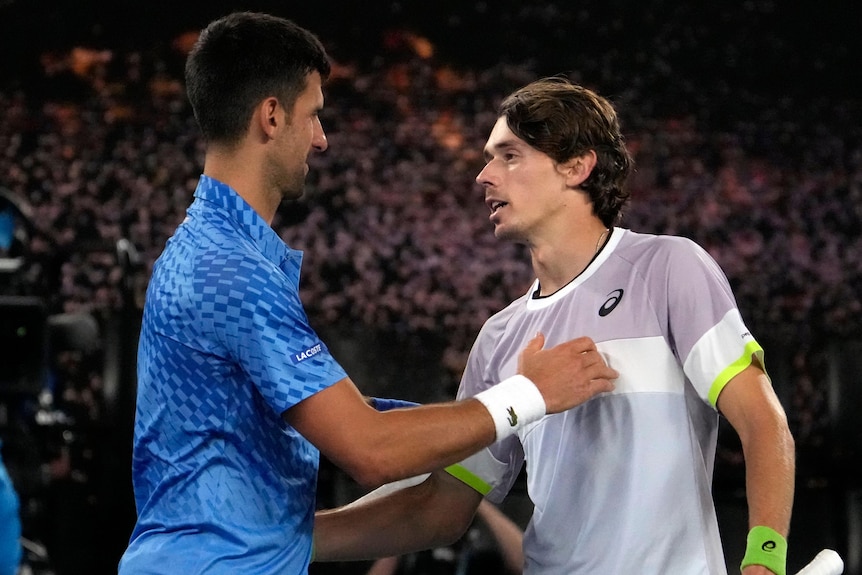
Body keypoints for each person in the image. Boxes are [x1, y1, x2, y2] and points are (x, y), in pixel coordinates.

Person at [117, 14, 618, 575]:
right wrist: (529, 395)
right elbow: (370, 449)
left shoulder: (212, 252)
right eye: (314, 116)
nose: (321, 138)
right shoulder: (230, 271)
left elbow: (348, 425)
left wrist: (488, 419)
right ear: (272, 116)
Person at [313, 77, 796, 575]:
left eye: (509, 155)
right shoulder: (498, 338)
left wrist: (765, 560)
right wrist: (295, 539)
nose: (484, 174)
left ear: (576, 166)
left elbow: (763, 424)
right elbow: (441, 506)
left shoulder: (668, 268)